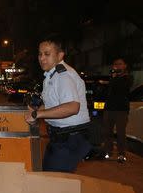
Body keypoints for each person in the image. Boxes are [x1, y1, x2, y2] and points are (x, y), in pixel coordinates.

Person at [25, 39, 91, 172]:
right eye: (40, 54)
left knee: (54, 182)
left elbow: (72, 107)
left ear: (60, 56)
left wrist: (38, 114)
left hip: (70, 138)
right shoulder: (51, 76)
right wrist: (37, 110)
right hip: (61, 138)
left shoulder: (63, 76)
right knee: (51, 177)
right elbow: (51, 104)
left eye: (47, 54)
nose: (42, 58)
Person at [102, 57, 132, 163]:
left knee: (120, 133)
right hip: (109, 108)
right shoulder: (113, 78)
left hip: (121, 110)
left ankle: (121, 154)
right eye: (115, 64)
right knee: (107, 132)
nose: (117, 66)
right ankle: (107, 152)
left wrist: (114, 78)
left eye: (120, 64)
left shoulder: (127, 78)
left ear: (125, 66)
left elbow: (121, 89)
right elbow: (109, 92)